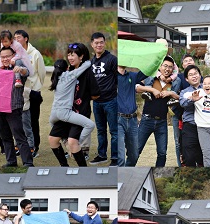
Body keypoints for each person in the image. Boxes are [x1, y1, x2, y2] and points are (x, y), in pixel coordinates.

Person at [49, 42, 100, 167]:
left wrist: (83, 97)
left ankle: (83, 170)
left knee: (73, 142)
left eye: (73, 55)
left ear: (81, 56)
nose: (70, 58)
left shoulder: (87, 72)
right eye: (69, 55)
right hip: (65, 112)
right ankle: (64, 167)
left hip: (79, 112)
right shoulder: (68, 71)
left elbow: (96, 94)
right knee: (52, 139)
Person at [136, 56, 180, 167]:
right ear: (160, 67)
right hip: (147, 120)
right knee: (136, 150)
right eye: (165, 66)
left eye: (170, 67)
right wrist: (151, 90)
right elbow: (137, 87)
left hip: (162, 122)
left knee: (162, 153)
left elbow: (181, 98)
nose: (167, 69)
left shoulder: (174, 81)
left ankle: (158, 173)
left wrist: (171, 93)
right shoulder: (152, 77)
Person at [13, 30, 45, 157]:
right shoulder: (15, 53)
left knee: (33, 121)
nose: (16, 40)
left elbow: (41, 73)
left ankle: (34, 146)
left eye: (19, 37)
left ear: (26, 39)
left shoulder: (35, 53)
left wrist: (36, 87)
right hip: (19, 91)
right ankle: (21, 145)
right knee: (19, 120)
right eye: (14, 38)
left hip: (32, 91)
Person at [88, 32, 117, 166]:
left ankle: (115, 158)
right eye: (96, 43)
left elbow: (117, 79)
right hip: (97, 102)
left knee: (114, 131)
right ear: (92, 45)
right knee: (100, 130)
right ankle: (102, 155)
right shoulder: (91, 62)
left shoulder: (112, 59)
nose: (99, 45)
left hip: (111, 101)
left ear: (104, 43)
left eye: (101, 42)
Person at [117, 61, 146, 166]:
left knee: (134, 155)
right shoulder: (110, 76)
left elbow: (146, 72)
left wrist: (158, 57)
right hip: (118, 119)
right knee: (120, 157)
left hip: (133, 120)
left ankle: (126, 172)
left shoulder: (132, 76)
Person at [178, 64, 205, 166]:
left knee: (205, 155)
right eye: (190, 75)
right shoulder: (184, 92)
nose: (194, 76)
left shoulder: (207, 89)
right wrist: (192, 100)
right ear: (186, 79)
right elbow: (182, 103)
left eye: (196, 73)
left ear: (200, 75)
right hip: (190, 126)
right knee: (189, 157)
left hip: (205, 126)